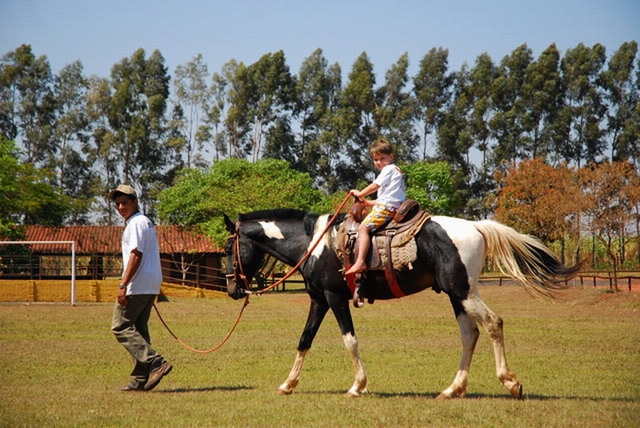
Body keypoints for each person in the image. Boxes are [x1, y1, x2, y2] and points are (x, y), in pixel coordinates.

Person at [109, 184, 172, 392]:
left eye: (125, 202)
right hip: (150, 284)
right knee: (140, 331)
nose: (120, 207)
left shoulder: (136, 223)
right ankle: (139, 380)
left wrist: (123, 284)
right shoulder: (145, 222)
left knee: (120, 326)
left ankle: (156, 362)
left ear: (135, 202)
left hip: (137, 284)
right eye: (117, 204)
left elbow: (136, 254)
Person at [344, 139, 406, 276]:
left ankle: (360, 261)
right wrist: (367, 202)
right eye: (376, 159)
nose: (379, 162)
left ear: (391, 156)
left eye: (382, 158)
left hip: (386, 209)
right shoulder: (396, 171)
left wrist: (360, 193)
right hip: (389, 206)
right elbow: (386, 198)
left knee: (363, 228)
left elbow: (375, 186)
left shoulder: (389, 169)